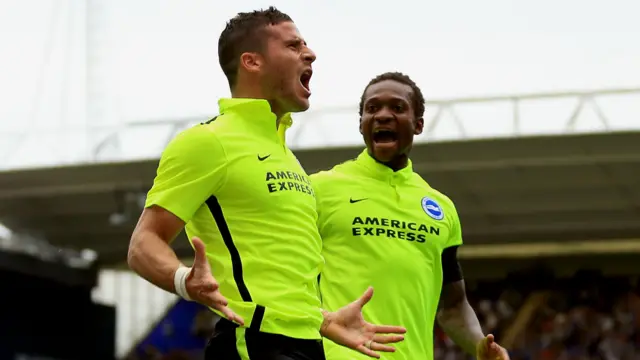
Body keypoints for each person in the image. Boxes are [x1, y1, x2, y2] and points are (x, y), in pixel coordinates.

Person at [126, 7, 406, 360]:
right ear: (251, 62)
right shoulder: (207, 141)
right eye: (293, 45)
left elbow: (273, 274)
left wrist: (321, 320)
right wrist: (185, 281)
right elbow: (143, 243)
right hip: (252, 343)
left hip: (308, 344)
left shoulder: (287, 157)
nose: (310, 53)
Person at [311, 72, 511, 360]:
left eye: (397, 107)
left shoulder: (441, 208)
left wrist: (480, 345)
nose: (382, 115)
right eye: (372, 108)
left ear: (418, 125)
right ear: (361, 124)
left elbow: (453, 306)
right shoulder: (320, 189)